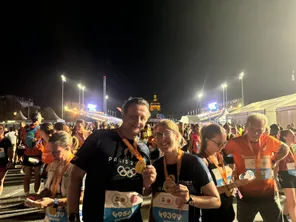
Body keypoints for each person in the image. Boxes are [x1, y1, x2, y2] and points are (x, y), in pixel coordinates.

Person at [68, 97, 156, 222]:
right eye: (133, 116)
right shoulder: (99, 138)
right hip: (97, 216)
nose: (138, 121)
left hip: (131, 218)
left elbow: (144, 191)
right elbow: (75, 176)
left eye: (142, 118)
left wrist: (148, 184)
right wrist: (73, 214)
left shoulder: (143, 149)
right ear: (123, 115)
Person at [146, 120, 221, 222]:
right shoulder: (156, 166)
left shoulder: (194, 162)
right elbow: (147, 193)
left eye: (167, 133)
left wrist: (190, 198)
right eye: (158, 134)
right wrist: (145, 183)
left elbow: (216, 201)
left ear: (177, 136)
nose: (162, 138)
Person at [224, 113, 289, 222]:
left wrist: (274, 160)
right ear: (246, 127)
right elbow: (222, 155)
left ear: (264, 129)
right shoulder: (235, 142)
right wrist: (230, 171)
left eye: (259, 130)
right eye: (252, 129)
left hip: (268, 193)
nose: (255, 133)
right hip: (245, 195)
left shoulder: (268, 140)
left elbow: (285, 148)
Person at [199, 124, 254, 222]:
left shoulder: (219, 156)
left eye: (224, 143)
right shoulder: (201, 160)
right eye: (219, 143)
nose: (222, 146)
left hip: (226, 208)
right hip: (212, 214)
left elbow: (221, 177)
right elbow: (205, 192)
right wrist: (233, 185)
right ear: (207, 140)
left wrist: (234, 176)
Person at [25, 131, 84, 222]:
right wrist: (38, 197)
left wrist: (54, 202)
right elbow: (48, 189)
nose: (52, 155)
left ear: (68, 148)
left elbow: (81, 198)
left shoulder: (79, 167)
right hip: (52, 216)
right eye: (50, 152)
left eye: (56, 152)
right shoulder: (53, 165)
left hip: (71, 216)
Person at [21, 112, 44, 195]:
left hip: (27, 154)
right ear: (38, 119)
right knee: (37, 175)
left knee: (27, 175)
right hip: (37, 154)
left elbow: (23, 140)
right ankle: (36, 193)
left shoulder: (25, 129)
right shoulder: (40, 129)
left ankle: (26, 193)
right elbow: (43, 141)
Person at [278, 130, 296, 222]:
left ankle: (284, 215)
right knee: (293, 202)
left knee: (291, 199)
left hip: (293, 173)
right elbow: (276, 163)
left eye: (294, 135)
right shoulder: (281, 148)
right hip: (285, 175)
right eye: (291, 135)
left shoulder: (292, 147)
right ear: (284, 137)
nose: (294, 137)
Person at [0, 124, 13, 195]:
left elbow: (10, 151)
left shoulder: (6, 140)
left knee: (0, 181)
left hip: (3, 162)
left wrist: (10, 161)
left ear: (3, 130)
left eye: (0, 128)